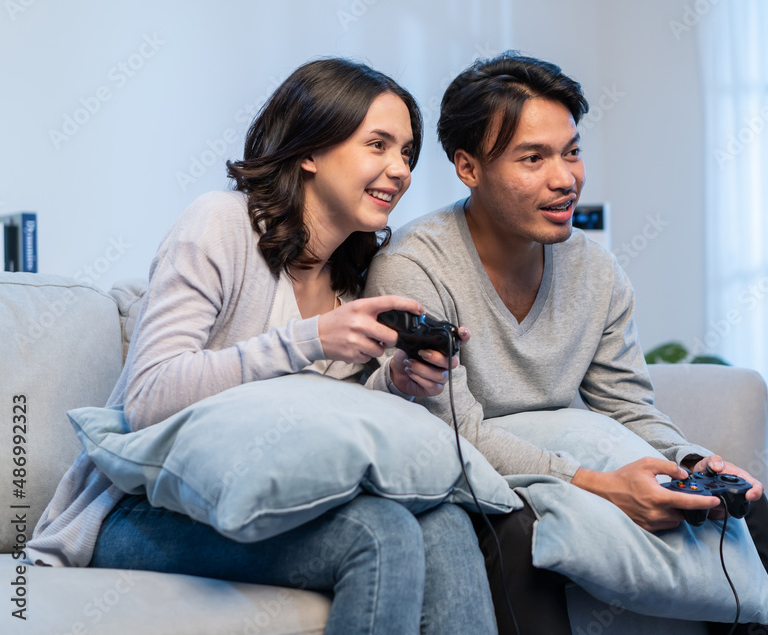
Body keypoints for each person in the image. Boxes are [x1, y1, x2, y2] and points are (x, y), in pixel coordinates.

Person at [27, 58, 497, 635]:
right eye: (378, 144)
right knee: (379, 532)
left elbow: (322, 421)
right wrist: (308, 339)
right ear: (310, 150)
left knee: (445, 520)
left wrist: (394, 383)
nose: (398, 170)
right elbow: (148, 398)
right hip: (138, 508)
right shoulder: (219, 225)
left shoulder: (355, 275)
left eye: (406, 153)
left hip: (267, 497)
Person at [364, 52, 768, 635]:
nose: (565, 178)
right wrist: (603, 486)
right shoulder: (414, 267)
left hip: (566, 462)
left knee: (740, 502)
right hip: (474, 477)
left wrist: (688, 460)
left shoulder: (596, 268)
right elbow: (457, 434)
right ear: (468, 167)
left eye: (572, 152)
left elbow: (627, 406)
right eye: (533, 159)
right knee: (517, 531)